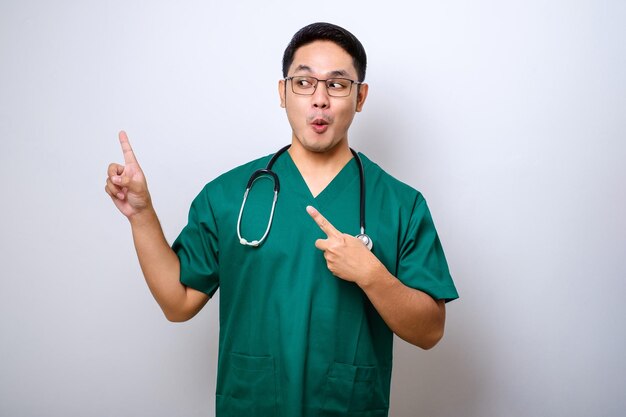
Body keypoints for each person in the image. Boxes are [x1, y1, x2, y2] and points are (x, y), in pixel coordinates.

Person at [105, 22, 458, 417]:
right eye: (304, 83)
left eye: (338, 85)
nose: (320, 99)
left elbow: (429, 331)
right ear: (282, 92)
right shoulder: (228, 195)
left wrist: (370, 274)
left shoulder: (399, 205)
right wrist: (140, 214)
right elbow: (178, 302)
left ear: (360, 97)